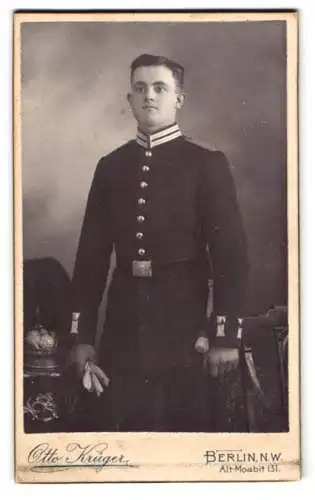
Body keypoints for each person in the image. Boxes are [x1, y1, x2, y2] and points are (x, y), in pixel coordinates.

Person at [69, 53, 249, 432]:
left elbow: (231, 258)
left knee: (186, 432)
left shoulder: (206, 164)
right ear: (129, 99)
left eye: (159, 87)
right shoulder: (111, 166)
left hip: (185, 328)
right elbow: (91, 259)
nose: (148, 95)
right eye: (139, 88)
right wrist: (81, 336)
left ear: (178, 99)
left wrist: (225, 337)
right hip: (123, 327)